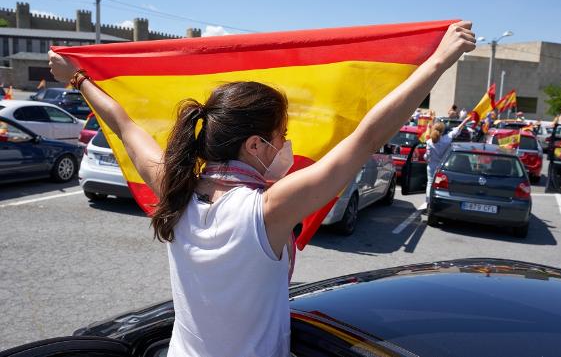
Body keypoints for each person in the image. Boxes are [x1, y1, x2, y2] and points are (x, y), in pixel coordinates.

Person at [48, 21, 476, 357]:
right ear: (254, 145)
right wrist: (437, 62)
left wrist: (79, 77)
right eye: (282, 134)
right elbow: (366, 138)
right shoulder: (267, 209)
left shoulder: (173, 189)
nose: (288, 145)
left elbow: (123, 124)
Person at [423, 113, 471, 207]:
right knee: (440, 186)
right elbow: (458, 128)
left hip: (432, 166)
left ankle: (428, 202)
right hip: (442, 167)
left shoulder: (429, 142)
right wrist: (466, 120)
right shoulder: (447, 139)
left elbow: (427, 157)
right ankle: (439, 203)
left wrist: (426, 158)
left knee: (430, 184)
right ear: (442, 131)